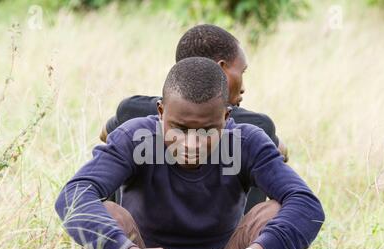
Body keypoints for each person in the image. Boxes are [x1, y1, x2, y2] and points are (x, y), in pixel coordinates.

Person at [55, 57, 325, 249]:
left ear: (226, 116)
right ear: (161, 113)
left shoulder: (247, 142)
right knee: (108, 213)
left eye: (208, 130)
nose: (192, 144)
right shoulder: (135, 137)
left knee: (273, 212)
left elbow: (307, 206)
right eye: (180, 128)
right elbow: (75, 194)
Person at [99, 24, 288, 211]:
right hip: (230, 237)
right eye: (242, 71)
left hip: (137, 235)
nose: (244, 86)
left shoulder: (131, 109)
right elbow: (280, 155)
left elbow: (105, 135)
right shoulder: (258, 125)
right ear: (220, 71)